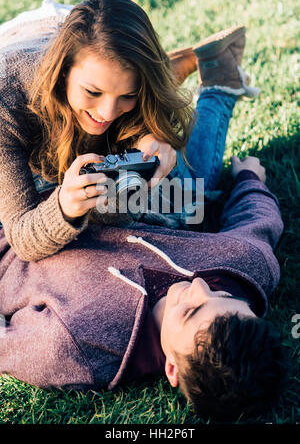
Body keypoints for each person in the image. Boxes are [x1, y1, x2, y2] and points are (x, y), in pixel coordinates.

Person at [0, 153, 286, 419]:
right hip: (100, 177)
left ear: (172, 369)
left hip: (10, 228)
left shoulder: (74, 349)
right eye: (221, 294)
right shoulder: (247, 269)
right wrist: (249, 177)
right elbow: (261, 221)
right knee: (187, 176)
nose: (198, 284)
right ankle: (218, 97)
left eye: (190, 311)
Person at [0, 0, 259, 262]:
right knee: (189, 197)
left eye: (128, 95)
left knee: (185, 198)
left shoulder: (110, 71)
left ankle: (210, 75)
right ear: (63, 72)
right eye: (93, 92)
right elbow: (21, 234)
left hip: (87, 34)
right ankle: (194, 71)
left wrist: (150, 139)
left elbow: (119, 211)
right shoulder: (7, 104)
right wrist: (64, 207)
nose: (107, 113)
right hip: (24, 43)